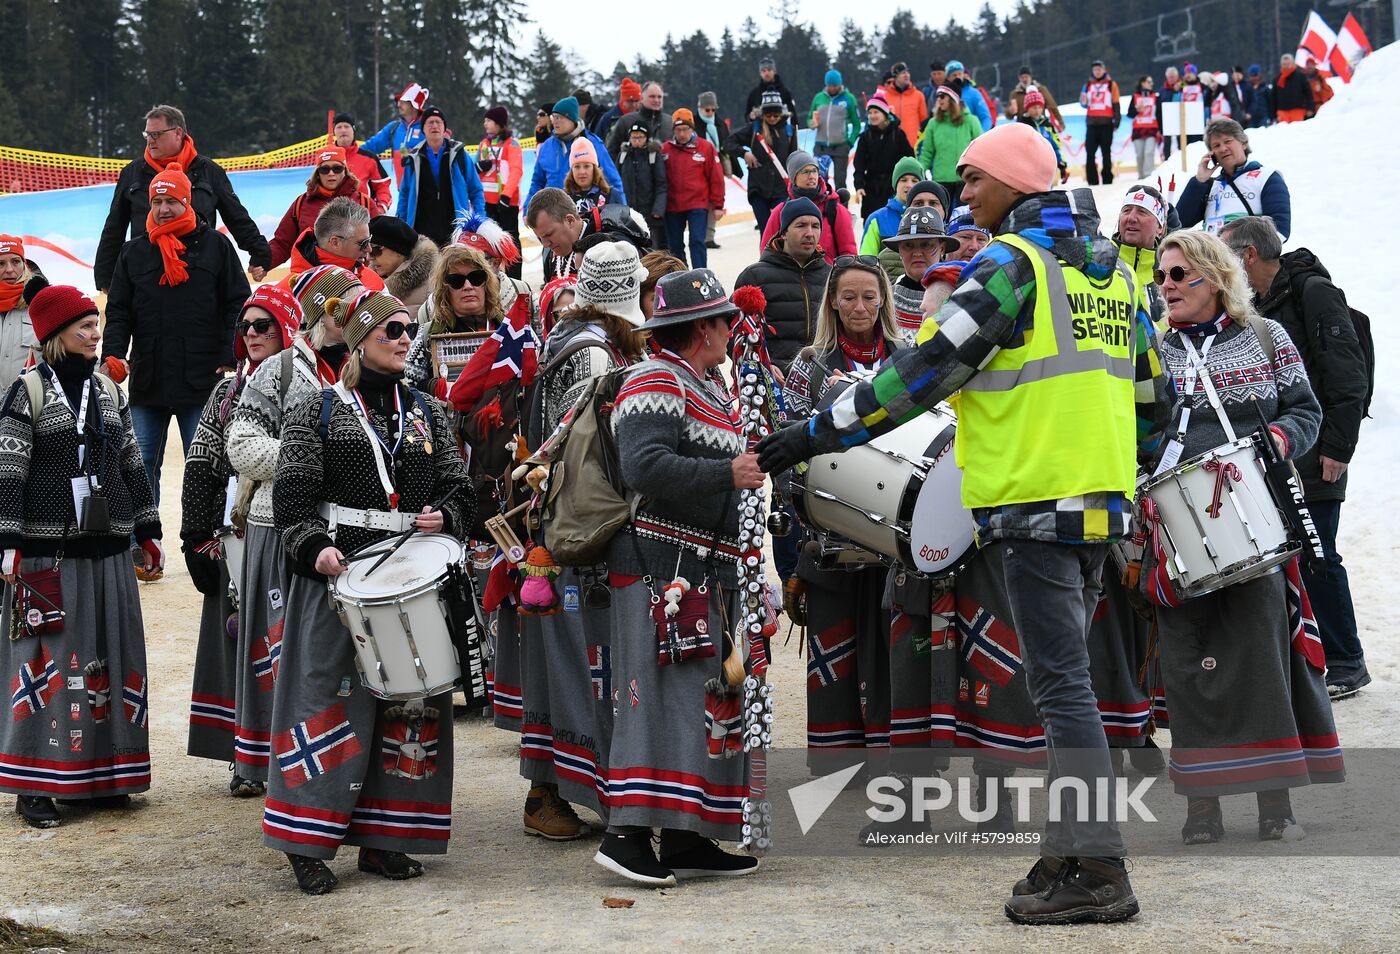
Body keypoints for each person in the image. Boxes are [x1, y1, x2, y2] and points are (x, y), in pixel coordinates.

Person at [757, 120, 1172, 924]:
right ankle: (1071, 849)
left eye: (974, 180)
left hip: (1030, 504)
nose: (963, 195)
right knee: (1066, 682)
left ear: (1015, 182)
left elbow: (922, 373)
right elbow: (1156, 401)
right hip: (1096, 505)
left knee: (1060, 689)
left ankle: (1101, 867)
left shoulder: (1012, 267)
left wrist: (813, 435)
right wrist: (1114, 465)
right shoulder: (1113, 276)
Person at [265, 288, 472, 894]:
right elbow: (293, 500)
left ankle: (387, 839)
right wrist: (311, 548)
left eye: (409, 331)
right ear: (358, 341)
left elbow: (460, 486)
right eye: (391, 332)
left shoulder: (431, 411)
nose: (406, 340)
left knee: (411, 706)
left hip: (411, 575)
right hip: (340, 575)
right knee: (324, 704)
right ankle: (306, 841)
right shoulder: (318, 410)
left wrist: (446, 514)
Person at [1147, 229, 1340, 844]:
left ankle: (1273, 800)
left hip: (1253, 517)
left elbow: (1306, 411)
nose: (1167, 286)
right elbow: (1129, 426)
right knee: (1188, 661)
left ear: (1216, 278)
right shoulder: (1150, 350)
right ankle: (1203, 805)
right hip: (1175, 525)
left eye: (1180, 275)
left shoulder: (1265, 337)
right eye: (1162, 276)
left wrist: (1276, 445)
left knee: (1260, 656)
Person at [596, 267, 760, 886]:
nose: (732, 330)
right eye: (726, 319)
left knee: (696, 702)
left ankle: (686, 836)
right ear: (703, 327)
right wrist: (728, 476)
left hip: (698, 570)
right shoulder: (654, 380)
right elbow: (645, 466)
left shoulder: (705, 383)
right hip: (655, 568)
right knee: (653, 701)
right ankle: (626, 835)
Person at [0, 286, 161, 829]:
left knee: (110, 660)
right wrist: (10, 542)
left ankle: (104, 777)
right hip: (50, 554)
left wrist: (147, 528)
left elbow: (130, 460)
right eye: (84, 327)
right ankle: (34, 784)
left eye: (97, 324)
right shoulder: (28, 392)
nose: (95, 334)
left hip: (110, 550)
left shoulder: (108, 390)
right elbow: (8, 470)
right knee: (46, 666)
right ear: (53, 336)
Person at [517, 240, 647, 840]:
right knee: (581, 662)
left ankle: (554, 790)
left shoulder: (562, 338)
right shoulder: (597, 358)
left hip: (557, 521)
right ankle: (560, 791)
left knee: (565, 661)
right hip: (581, 529)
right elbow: (582, 445)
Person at [1222, 216, 1371, 698]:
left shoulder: (1312, 293)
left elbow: (1347, 375)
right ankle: (1312, 655)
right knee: (1294, 557)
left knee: (1320, 555)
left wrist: (1337, 448)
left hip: (1320, 450)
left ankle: (1347, 659)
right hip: (1284, 451)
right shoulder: (1261, 305)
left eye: (1226, 255)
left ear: (1247, 256)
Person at [224, 265, 361, 786]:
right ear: (329, 311)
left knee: (312, 655)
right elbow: (241, 445)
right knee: (276, 652)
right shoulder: (278, 369)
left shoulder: (347, 370)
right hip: (276, 526)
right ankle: (262, 764)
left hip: (328, 531)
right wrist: (308, 458)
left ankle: (311, 760)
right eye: (350, 306)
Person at [782, 256, 906, 757]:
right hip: (830, 533)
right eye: (849, 297)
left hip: (895, 534)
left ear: (883, 301)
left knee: (892, 646)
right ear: (833, 300)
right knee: (836, 646)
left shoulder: (906, 358)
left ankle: (891, 749)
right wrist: (792, 550)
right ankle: (839, 757)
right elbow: (788, 449)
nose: (860, 307)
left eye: (869, 297)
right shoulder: (809, 364)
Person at [180, 284, 301, 795]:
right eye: (246, 326)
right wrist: (194, 535)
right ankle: (244, 755)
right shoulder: (225, 392)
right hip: (233, 534)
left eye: (264, 325)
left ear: (288, 329)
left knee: (281, 643)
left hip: (280, 532)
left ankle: (286, 750)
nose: (253, 334)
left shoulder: (306, 383)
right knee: (237, 641)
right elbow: (201, 464)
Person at [102, 162, 251, 551]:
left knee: (206, 469)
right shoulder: (134, 252)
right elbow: (118, 310)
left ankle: (211, 546)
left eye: (172, 200)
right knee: (138, 465)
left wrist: (228, 356)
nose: (164, 208)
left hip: (203, 378)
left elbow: (237, 304)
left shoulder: (218, 247)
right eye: (158, 201)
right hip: (149, 378)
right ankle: (140, 543)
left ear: (187, 201)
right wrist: (114, 354)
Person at [94, 105, 268, 293]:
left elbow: (237, 217)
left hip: (201, 268)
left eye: (157, 134)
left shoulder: (208, 171)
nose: (150, 141)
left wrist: (260, 253)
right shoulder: (133, 173)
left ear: (178, 133)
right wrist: (105, 276)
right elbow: (114, 226)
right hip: (146, 270)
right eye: (147, 135)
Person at [734, 198, 832, 372]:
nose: (810, 233)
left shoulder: (831, 276)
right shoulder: (755, 276)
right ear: (784, 233)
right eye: (801, 225)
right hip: (774, 383)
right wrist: (761, 366)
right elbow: (730, 334)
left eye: (815, 226)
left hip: (823, 379)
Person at [406, 245, 502, 398]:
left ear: (487, 283)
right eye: (456, 281)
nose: (468, 286)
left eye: (476, 278)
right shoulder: (426, 337)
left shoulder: (512, 330)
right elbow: (406, 386)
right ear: (445, 290)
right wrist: (434, 387)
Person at [1176, 117, 1291, 240]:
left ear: (1244, 143)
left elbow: (1280, 230)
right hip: (1212, 255)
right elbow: (1179, 224)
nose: (1223, 148)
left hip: (1249, 253)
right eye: (1216, 145)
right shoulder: (1210, 186)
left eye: (1228, 141)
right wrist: (1199, 181)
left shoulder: (1267, 177)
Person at [268, 146, 374, 270]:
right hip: (310, 275)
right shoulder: (301, 203)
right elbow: (282, 243)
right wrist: (263, 262)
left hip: (355, 275)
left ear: (345, 170)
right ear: (318, 173)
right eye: (325, 169)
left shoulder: (363, 201)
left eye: (337, 168)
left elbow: (379, 242)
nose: (331, 173)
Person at [396, 106, 486, 248]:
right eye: (430, 122)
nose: (434, 126)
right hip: (421, 231)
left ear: (444, 128)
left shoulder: (460, 155)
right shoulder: (413, 158)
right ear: (423, 129)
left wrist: (480, 219)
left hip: (455, 229)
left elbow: (475, 189)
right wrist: (400, 222)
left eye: (438, 122)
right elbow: (405, 194)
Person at [524, 97, 627, 212]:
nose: (554, 121)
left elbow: (613, 179)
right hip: (552, 213)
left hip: (586, 211)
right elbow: (537, 182)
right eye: (553, 117)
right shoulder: (547, 146)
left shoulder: (592, 143)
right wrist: (528, 208)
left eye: (560, 117)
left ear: (571, 119)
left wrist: (623, 211)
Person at [759, 150, 855, 265]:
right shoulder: (780, 211)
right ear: (794, 177)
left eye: (814, 171)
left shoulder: (834, 209)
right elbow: (767, 251)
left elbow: (849, 253)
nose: (811, 176)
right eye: (805, 172)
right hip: (790, 278)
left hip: (827, 278)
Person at [727, 91, 796, 241]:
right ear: (762, 114)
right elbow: (729, 142)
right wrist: (744, 153)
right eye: (768, 115)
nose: (772, 118)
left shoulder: (788, 131)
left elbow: (794, 158)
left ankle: (783, 261)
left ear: (781, 114)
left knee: (782, 229)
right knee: (765, 231)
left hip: (781, 189)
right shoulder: (753, 129)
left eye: (775, 115)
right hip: (758, 188)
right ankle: (766, 262)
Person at [882, 206, 958, 340]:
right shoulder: (883, 302)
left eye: (926, 245)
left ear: (942, 248)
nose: (917, 253)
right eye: (908, 246)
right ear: (899, 251)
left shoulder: (957, 298)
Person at [661, 109, 724, 269]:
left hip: (698, 204)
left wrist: (717, 206)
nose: (682, 134)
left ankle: (700, 274)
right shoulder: (665, 149)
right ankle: (681, 275)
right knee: (674, 245)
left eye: (686, 129)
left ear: (692, 129)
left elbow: (716, 178)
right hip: (672, 205)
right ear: (673, 130)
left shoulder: (706, 147)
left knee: (697, 241)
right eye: (678, 130)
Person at [279, 196, 383, 291]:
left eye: (369, 240)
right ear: (335, 242)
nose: (369, 249)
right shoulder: (286, 293)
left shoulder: (373, 280)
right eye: (363, 243)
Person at [1114, 185, 1173, 330]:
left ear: (1160, 227)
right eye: (1126, 210)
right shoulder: (1101, 260)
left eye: (1142, 212)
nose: (1131, 218)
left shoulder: (1169, 269)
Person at [477, 105, 525, 278]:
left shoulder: (511, 144)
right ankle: (491, 278)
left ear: (499, 123)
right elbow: (474, 171)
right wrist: (478, 167)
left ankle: (515, 279)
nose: (485, 124)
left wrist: (506, 196)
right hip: (487, 202)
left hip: (506, 202)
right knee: (489, 242)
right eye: (485, 120)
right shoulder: (484, 144)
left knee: (510, 242)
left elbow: (516, 171)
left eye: (489, 120)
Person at [852, 92, 914, 221]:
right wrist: (859, 186)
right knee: (872, 222)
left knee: (894, 220)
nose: (872, 116)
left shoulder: (897, 134)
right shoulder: (865, 137)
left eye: (876, 112)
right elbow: (859, 165)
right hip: (871, 189)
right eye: (870, 113)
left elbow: (910, 160)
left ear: (885, 113)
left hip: (893, 187)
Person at [918, 87, 984, 204]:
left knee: (965, 217)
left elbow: (981, 148)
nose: (939, 100)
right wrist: (919, 172)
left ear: (953, 99)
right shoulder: (933, 123)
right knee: (941, 218)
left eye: (942, 96)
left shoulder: (971, 121)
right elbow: (927, 152)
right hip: (941, 180)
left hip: (965, 179)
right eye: (937, 97)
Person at [359, 82, 430, 186]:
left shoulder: (428, 126)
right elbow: (372, 145)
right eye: (399, 101)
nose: (398, 105)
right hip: (403, 193)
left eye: (403, 102)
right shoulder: (394, 128)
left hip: (426, 193)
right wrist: (350, 153)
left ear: (414, 105)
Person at [368, 215, 440, 312]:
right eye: (366, 249)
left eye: (374, 251)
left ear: (398, 251)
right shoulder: (366, 279)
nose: (369, 257)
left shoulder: (433, 284)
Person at [858, 156, 924, 259]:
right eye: (903, 180)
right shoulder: (876, 219)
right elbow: (866, 262)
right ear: (895, 184)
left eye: (915, 181)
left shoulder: (931, 217)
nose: (909, 185)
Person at [0, 236, 46, 382]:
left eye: (15, 261)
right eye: (0, 263)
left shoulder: (42, 305)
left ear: (24, 264)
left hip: (31, 403)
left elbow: (73, 350)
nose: (9, 270)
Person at [618, 122, 669, 250]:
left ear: (646, 138)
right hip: (627, 214)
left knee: (652, 249)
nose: (636, 141)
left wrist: (658, 210)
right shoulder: (623, 156)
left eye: (640, 137)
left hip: (650, 214)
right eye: (633, 137)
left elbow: (661, 184)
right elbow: (616, 183)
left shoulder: (653, 156)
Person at [809, 70, 862, 190]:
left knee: (840, 183)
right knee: (819, 182)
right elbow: (809, 118)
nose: (832, 88)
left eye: (835, 85)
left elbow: (856, 124)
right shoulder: (819, 98)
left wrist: (850, 142)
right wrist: (811, 124)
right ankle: (820, 208)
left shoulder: (849, 98)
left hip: (840, 147)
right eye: (830, 85)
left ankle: (842, 208)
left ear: (840, 84)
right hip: (820, 147)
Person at [331, 113, 392, 215]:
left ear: (353, 130)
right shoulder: (327, 157)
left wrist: (381, 208)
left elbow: (383, 187)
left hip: (363, 217)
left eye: (347, 126)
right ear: (334, 132)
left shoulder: (369, 158)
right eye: (339, 127)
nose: (343, 130)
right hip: (334, 217)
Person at [695, 92, 732, 250]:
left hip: (716, 164)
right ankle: (700, 235)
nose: (710, 113)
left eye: (712, 109)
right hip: (698, 165)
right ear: (700, 108)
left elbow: (727, 143)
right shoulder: (694, 124)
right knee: (702, 201)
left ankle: (709, 236)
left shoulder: (720, 124)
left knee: (716, 200)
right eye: (706, 109)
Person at [1080, 60, 1122, 186]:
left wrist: (1117, 121)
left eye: (1099, 69)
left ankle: (1107, 178)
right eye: (1095, 70)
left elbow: (1116, 103)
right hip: (1092, 123)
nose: (1097, 72)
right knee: (1090, 153)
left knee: (1106, 152)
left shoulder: (1111, 84)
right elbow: (1083, 103)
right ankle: (1092, 180)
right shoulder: (1087, 85)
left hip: (1106, 123)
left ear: (1104, 70)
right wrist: (1083, 101)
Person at [606, 82, 673, 160]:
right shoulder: (626, 121)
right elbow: (612, 152)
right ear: (641, 98)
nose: (656, 100)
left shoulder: (670, 122)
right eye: (652, 96)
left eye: (659, 97)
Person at [1017, 89, 1068, 185]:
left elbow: (1056, 146)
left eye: (1039, 107)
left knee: (1047, 191)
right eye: (1033, 108)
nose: (1037, 111)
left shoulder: (1047, 125)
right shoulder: (1022, 125)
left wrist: (1061, 162)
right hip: (1029, 167)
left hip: (1046, 165)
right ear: (1027, 108)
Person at [883, 61, 928, 150]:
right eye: (902, 73)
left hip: (913, 144)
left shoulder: (918, 95)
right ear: (895, 77)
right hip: (892, 145)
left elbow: (924, 121)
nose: (906, 75)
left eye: (907, 72)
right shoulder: (885, 97)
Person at [564, 138, 612, 214]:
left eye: (586, 166)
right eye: (577, 167)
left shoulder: (611, 195)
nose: (582, 172)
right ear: (571, 170)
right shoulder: (563, 198)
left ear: (594, 169)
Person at [1126, 77, 1161, 180]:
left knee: (1149, 152)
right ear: (1142, 83)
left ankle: (1148, 175)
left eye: (1152, 82)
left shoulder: (1156, 97)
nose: (1151, 84)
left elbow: (1159, 114)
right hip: (1138, 129)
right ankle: (1141, 176)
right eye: (1148, 82)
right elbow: (1130, 114)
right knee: (1140, 154)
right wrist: (1138, 110)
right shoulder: (1135, 96)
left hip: (1152, 129)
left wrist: (1161, 130)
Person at [944, 60, 994, 130]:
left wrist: (980, 135)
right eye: (954, 75)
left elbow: (986, 118)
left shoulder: (974, 93)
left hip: (972, 137)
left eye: (959, 74)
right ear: (948, 78)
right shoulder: (943, 95)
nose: (957, 77)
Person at [745, 56, 798, 122]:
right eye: (764, 71)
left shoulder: (785, 92)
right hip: (761, 129)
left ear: (774, 71)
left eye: (769, 70)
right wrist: (751, 117)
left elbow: (793, 114)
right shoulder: (754, 94)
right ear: (760, 73)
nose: (767, 73)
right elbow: (747, 115)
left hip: (782, 128)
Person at [1270, 54, 1315, 124]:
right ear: (1281, 65)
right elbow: (1273, 98)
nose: (1286, 66)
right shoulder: (1277, 79)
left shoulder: (1301, 77)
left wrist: (1310, 108)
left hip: (1298, 111)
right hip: (1282, 112)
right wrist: (1273, 115)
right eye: (1284, 64)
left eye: (1288, 64)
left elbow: (1308, 94)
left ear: (1293, 64)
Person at [596, 78, 642, 146]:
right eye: (630, 101)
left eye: (637, 101)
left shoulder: (644, 117)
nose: (634, 105)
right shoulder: (609, 118)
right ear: (623, 100)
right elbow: (597, 142)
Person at [1160, 66, 1182, 160]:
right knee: (1167, 142)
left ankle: (1182, 158)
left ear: (1177, 77)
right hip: (1167, 118)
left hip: (1181, 117)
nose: (1172, 79)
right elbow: (1164, 100)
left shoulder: (1183, 85)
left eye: (1173, 77)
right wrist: (1174, 91)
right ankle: (1167, 160)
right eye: (1170, 77)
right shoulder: (1163, 89)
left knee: (1181, 140)